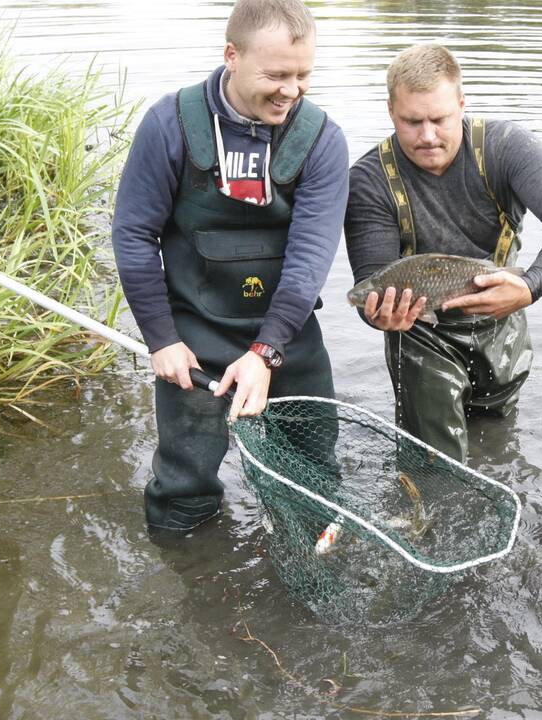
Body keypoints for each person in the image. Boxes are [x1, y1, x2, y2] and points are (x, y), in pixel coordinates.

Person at [111, 0, 348, 531]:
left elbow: (311, 254)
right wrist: (160, 338)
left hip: (287, 333)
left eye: (303, 75)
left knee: (313, 476)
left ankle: (306, 570)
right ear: (232, 56)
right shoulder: (168, 124)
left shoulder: (323, 139)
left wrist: (266, 351)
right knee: (184, 486)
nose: (291, 90)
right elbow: (133, 235)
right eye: (276, 75)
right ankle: (187, 575)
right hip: (193, 333)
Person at [344, 43, 542, 463]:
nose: (427, 136)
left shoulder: (504, 147)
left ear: (461, 105)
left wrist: (529, 288)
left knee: (498, 453)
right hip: (421, 338)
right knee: (434, 468)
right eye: (411, 121)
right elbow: (372, 284)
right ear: (391, 111)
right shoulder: (370, 181)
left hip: (503, 322)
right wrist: (377, 316)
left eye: (440, 119)